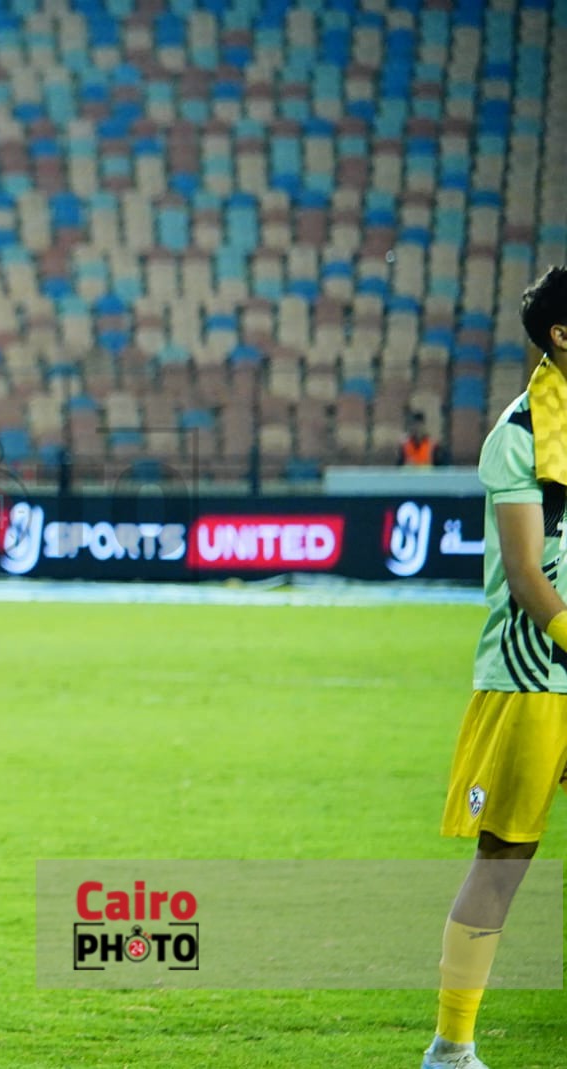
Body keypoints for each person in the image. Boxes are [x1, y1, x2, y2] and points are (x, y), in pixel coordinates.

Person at [421, 266, 567, 1069]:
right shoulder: (519, 434)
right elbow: (526, 574)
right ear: (561, 337)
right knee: (504, 859)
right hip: (533, 677)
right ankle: (451, 1046)